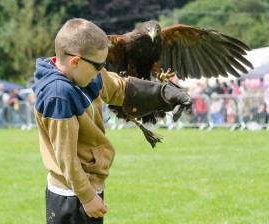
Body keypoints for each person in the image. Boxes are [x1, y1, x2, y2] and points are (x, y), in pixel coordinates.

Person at [32, 18, 192, 224]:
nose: (102, 70)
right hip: (71, 194)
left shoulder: (83, 75)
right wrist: (87, 196)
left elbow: (118, 87)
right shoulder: (58, 95)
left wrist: (164, 94)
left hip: (85, 186)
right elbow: (66, 157)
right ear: (75, 61)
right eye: (99, 65)